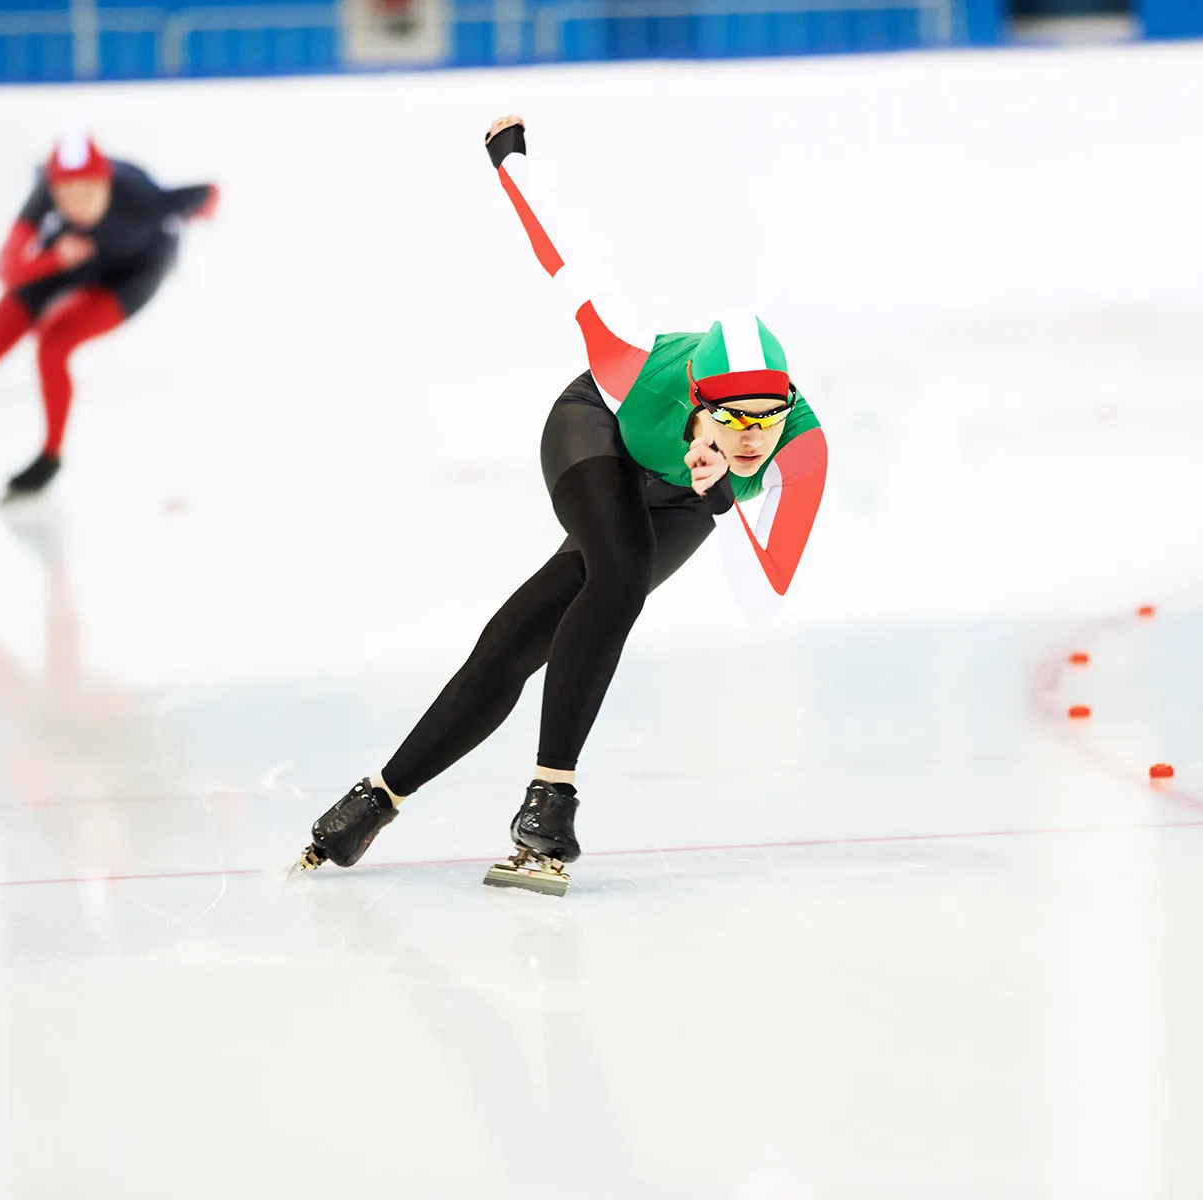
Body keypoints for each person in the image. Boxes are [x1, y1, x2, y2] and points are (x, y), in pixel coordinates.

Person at [293, 116, 829, 892]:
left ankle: (375, 800)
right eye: (735, 418)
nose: (755, 438)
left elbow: (762, 592)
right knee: (618, 571)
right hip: (596, 432)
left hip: (685, 497)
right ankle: (553, 797)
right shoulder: (628, 360)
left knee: (519, 639)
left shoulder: (800, 449)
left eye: (768, 417)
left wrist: (719, 494)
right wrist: (510, 160)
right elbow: (567, 254)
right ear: (696, 399)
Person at [0, 133, 218, 498]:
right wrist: (53, 259)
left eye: (89, 193)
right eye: (65, 196)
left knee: (54, 345)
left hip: (132, 274)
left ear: (107, 183)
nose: (78, 206)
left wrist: (203, 218)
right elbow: (6, 268)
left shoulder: (146, 201)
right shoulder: (44, 195)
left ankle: (51, 455)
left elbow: (209, 192)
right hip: (65, 259)